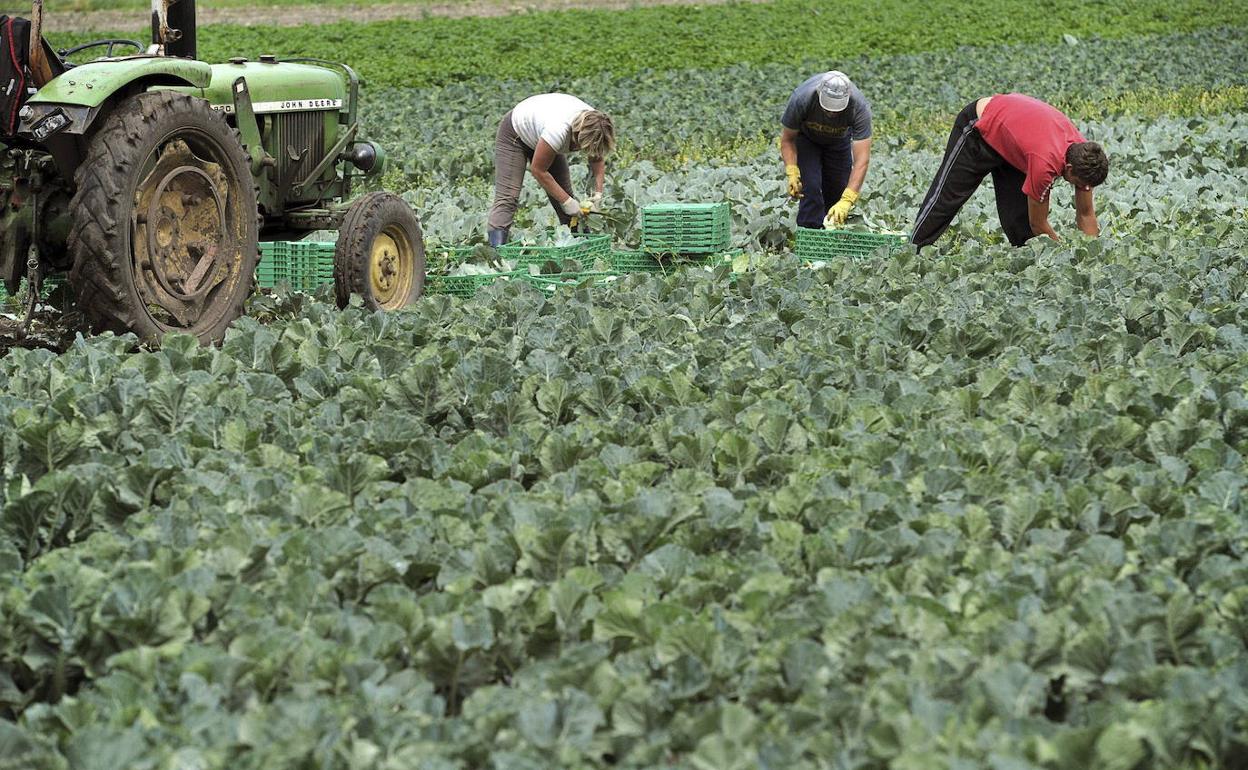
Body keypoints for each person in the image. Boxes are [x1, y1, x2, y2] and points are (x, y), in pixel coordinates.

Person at [911, 93, 1109, 248]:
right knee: (947, 197)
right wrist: (1062, 254)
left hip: (1016, 142)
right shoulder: (1044, 165)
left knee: (1019, 221)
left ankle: (1030, 266)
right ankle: (913, 247)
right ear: (1069, 168)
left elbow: (1086, 213)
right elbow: (1039, 224)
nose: (1083, 188)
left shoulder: (1085, 155)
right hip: (980, 126)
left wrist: (1090, 253)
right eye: (1079, 183)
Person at [487, 93, 615, 247]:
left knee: (563, 194)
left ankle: (582, 248)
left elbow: (596, 157)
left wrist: (598, 194)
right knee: (508, 197)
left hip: (542, 131)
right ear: (577, 134)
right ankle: (495, 254)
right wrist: (567, 202)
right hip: (515, 135)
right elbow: (539, 170)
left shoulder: (596, 125)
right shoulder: (558, 130)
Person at [780, 71, 873, 230]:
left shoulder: (859, 107)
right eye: (828, 107)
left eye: (837, 108)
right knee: (811, 188)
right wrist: (792, 171)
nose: (832, 112)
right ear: (819, 93)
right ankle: (810, 236)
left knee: (838, 190)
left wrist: (848, 199)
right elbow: (787, 139)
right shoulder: (802, 98)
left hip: (839, 142)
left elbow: (862, 160)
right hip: (807, 140)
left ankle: (832, 238)